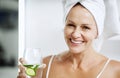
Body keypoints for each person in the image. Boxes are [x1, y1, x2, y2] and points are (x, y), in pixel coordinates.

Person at [17, 0, 120, 78]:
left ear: (98, 32)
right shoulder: (44, 66)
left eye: (85, 27)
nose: (75, 34)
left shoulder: (116, 70)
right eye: (71, 25)